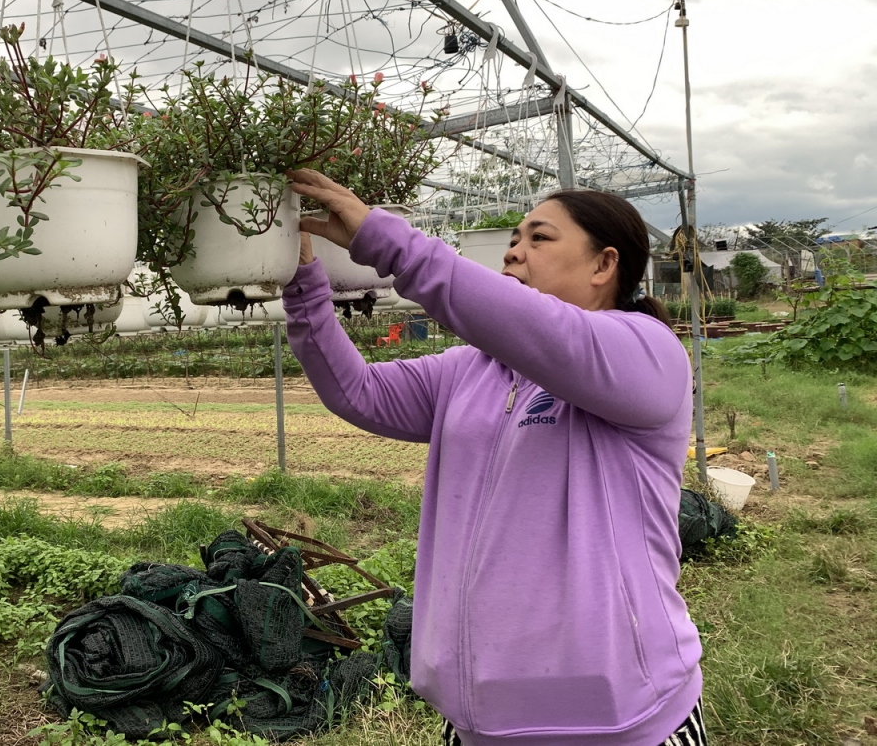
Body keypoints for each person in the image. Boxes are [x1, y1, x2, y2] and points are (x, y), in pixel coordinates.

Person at [281, 169, 705, 746]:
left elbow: (544, 331)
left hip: (617, 724)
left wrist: (388, 241)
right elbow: (357, 390)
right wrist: (303, 282)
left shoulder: (645, 353)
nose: (514, 252)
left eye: (539, 238)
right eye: (512, 240)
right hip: (483, 726)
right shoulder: (469, 370)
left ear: (604, 266)